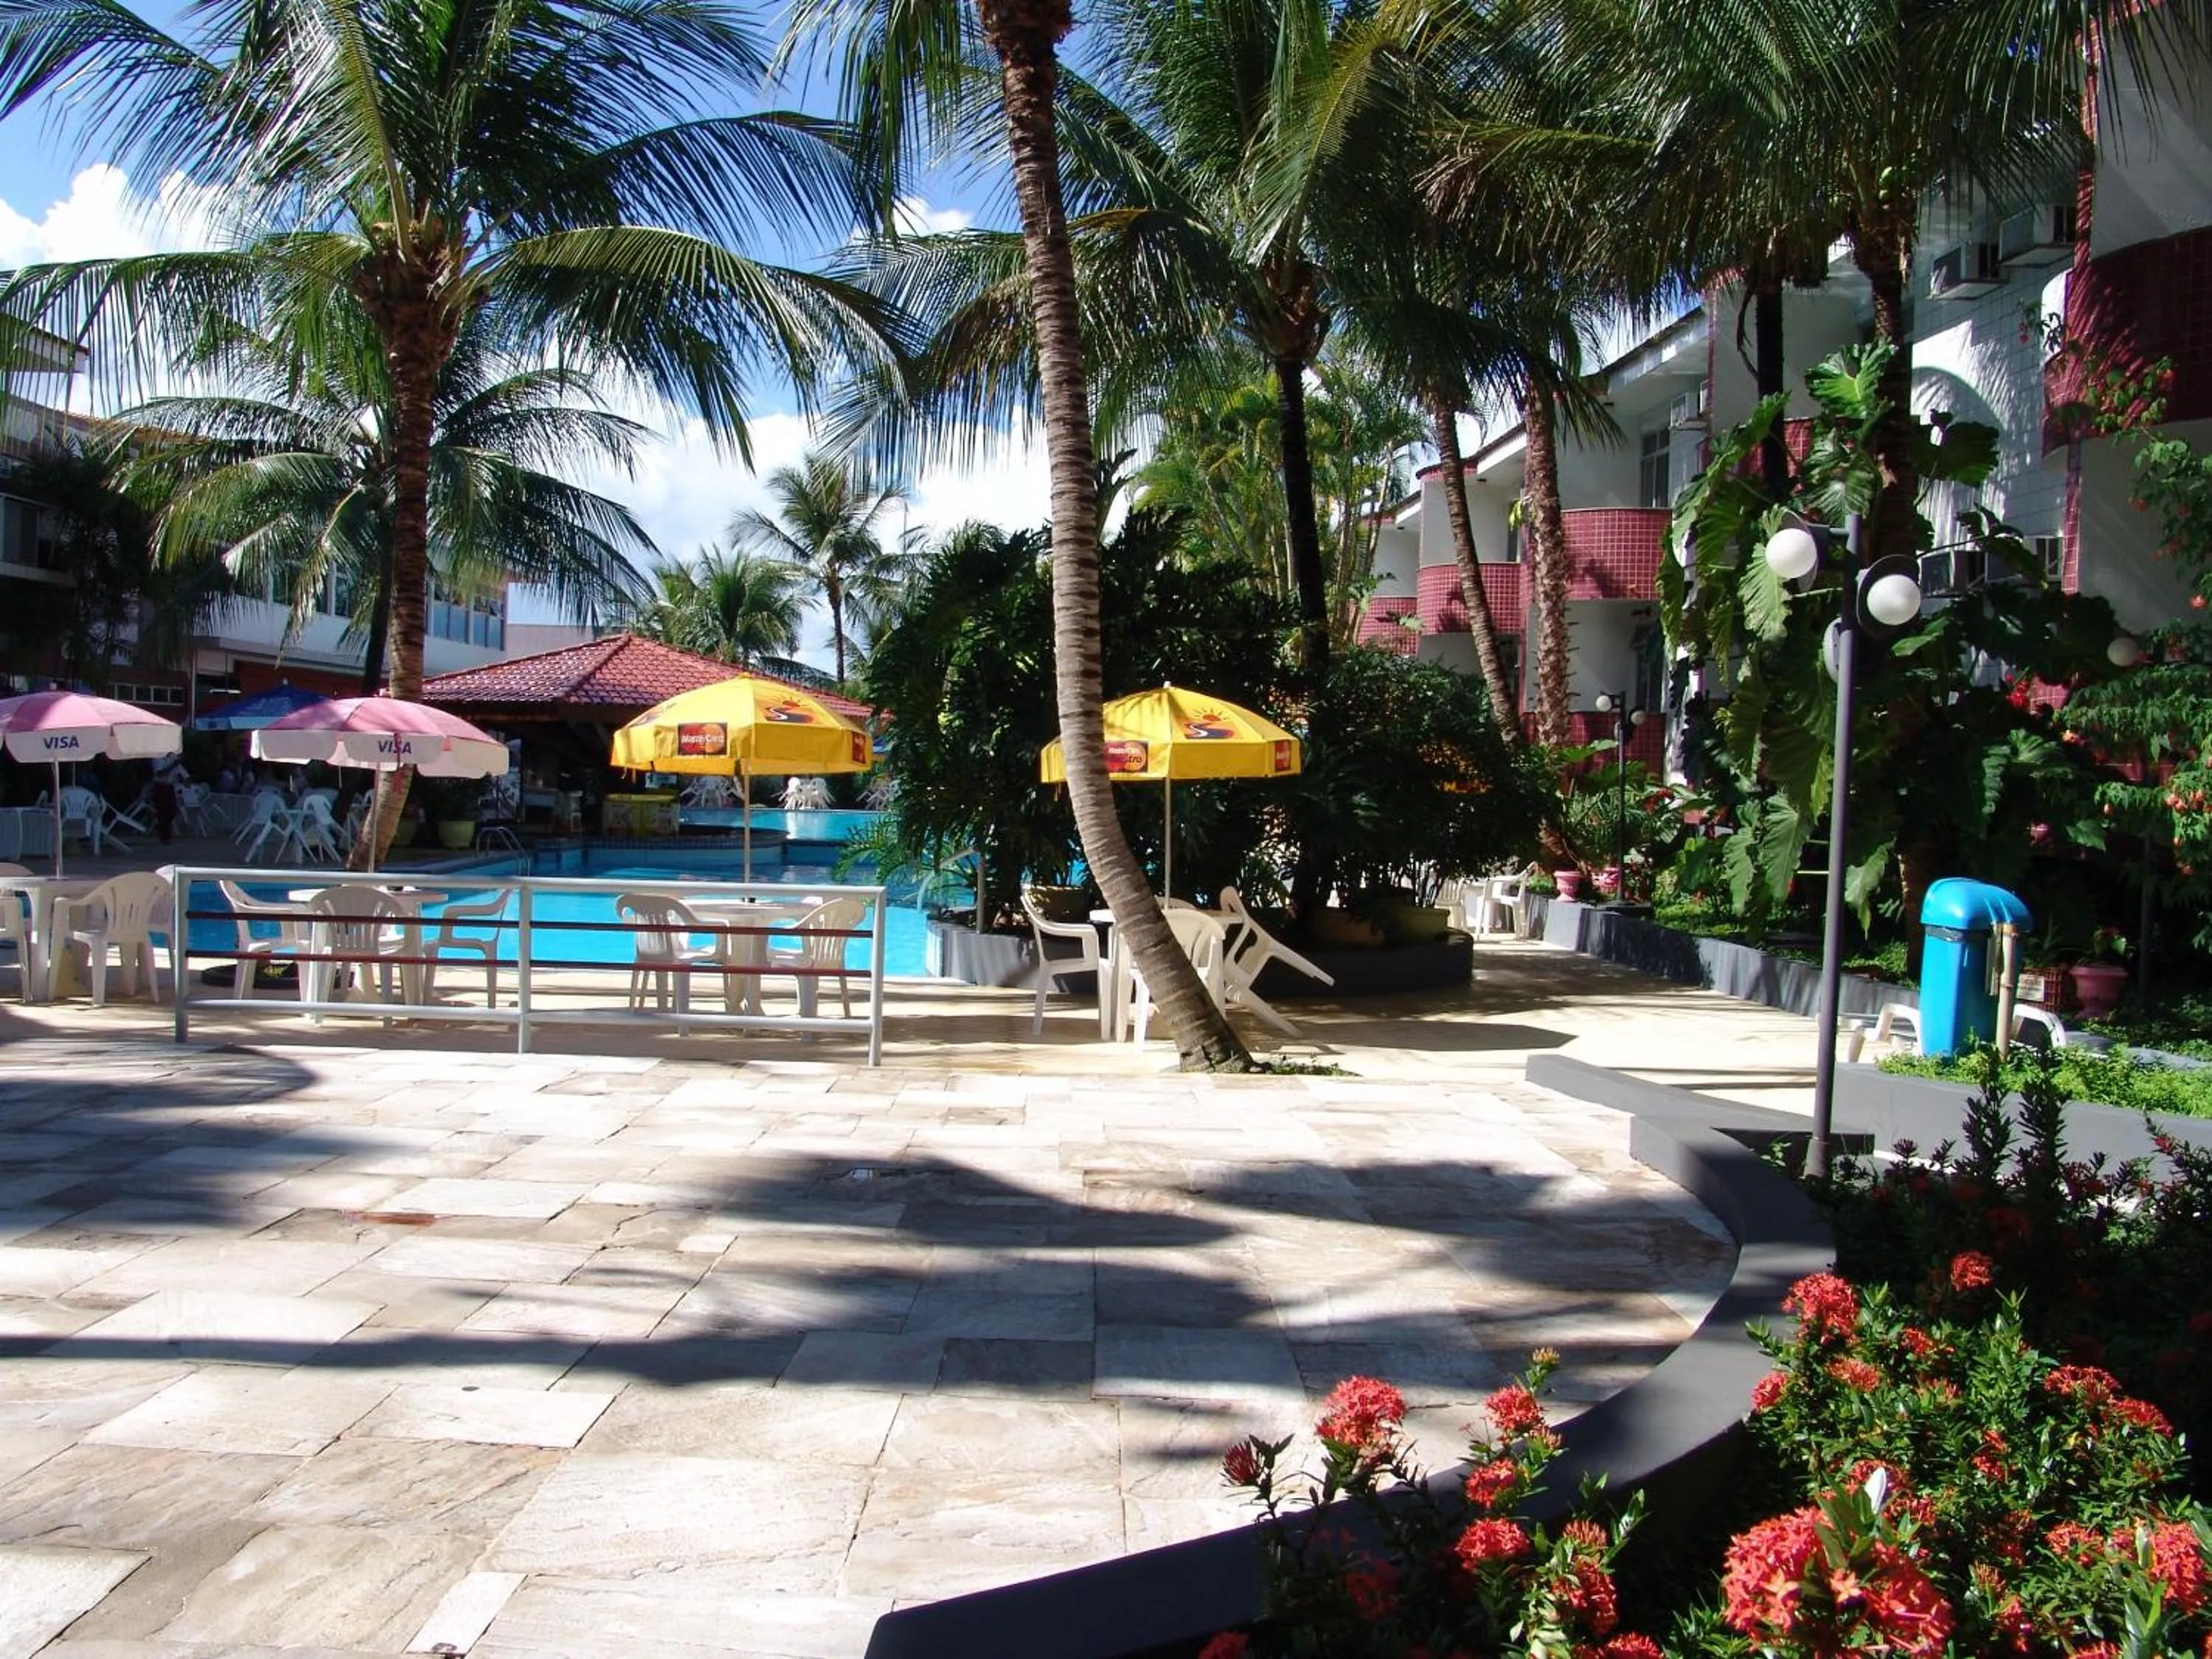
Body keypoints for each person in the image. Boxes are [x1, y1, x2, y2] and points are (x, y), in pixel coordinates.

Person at [150, 753, 186, 845]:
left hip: (170, 786)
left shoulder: (172, 758)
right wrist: (174, 765)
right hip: (160, 786)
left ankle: (163, 831)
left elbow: (180, 772)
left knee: (172, 810)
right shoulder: (157, 758)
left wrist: (181, 776)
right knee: (162, 811)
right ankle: (165, 837)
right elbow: (160, 773)